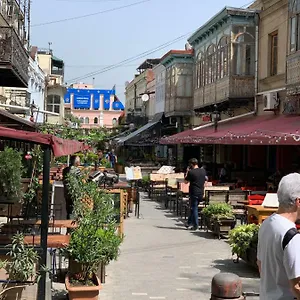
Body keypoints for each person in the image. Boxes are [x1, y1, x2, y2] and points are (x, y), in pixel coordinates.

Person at [257, 173, 300, 300]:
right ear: (298, 201)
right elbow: (297, 286)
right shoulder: (291, 235)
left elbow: (260, 265)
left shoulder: (266, 224)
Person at [184, 158, 207, 230]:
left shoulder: (191, 172)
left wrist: (187, 172)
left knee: (194, 208)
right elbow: (205, 179)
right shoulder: (203, 171)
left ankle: (196, 225)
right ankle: (188, 223)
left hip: (194, 192)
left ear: (191, 164)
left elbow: (185, 182)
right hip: (201, 192)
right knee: (193, 208)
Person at [62, 155, 81, 219]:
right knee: (74, 210)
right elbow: (81, 181)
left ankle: (68, 226)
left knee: (69, 210)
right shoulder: (77, 170)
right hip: (75, 193)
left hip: (66, 192)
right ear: (76, 162)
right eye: (79, 161)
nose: (80, 163)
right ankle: (72, 225)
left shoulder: (65, 170)